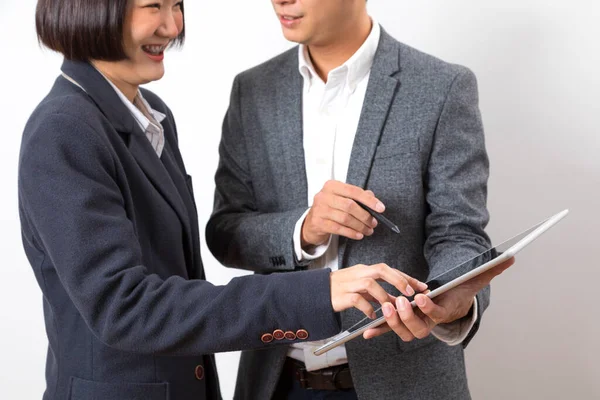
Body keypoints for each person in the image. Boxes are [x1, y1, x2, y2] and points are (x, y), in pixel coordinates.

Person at [18, 1, 425, 399]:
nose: (173, 26)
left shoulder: (149, 115)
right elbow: (124, 308)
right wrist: (318, 292)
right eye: (152, 6)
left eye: (176, 5)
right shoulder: (64, 130)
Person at [205, 0, 514, 399]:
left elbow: (458, 232)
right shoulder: (253, 90)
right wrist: (303, 228)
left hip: (405, 383)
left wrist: (452, 296)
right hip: (276, 382)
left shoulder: (441, 86)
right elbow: (225, 232)